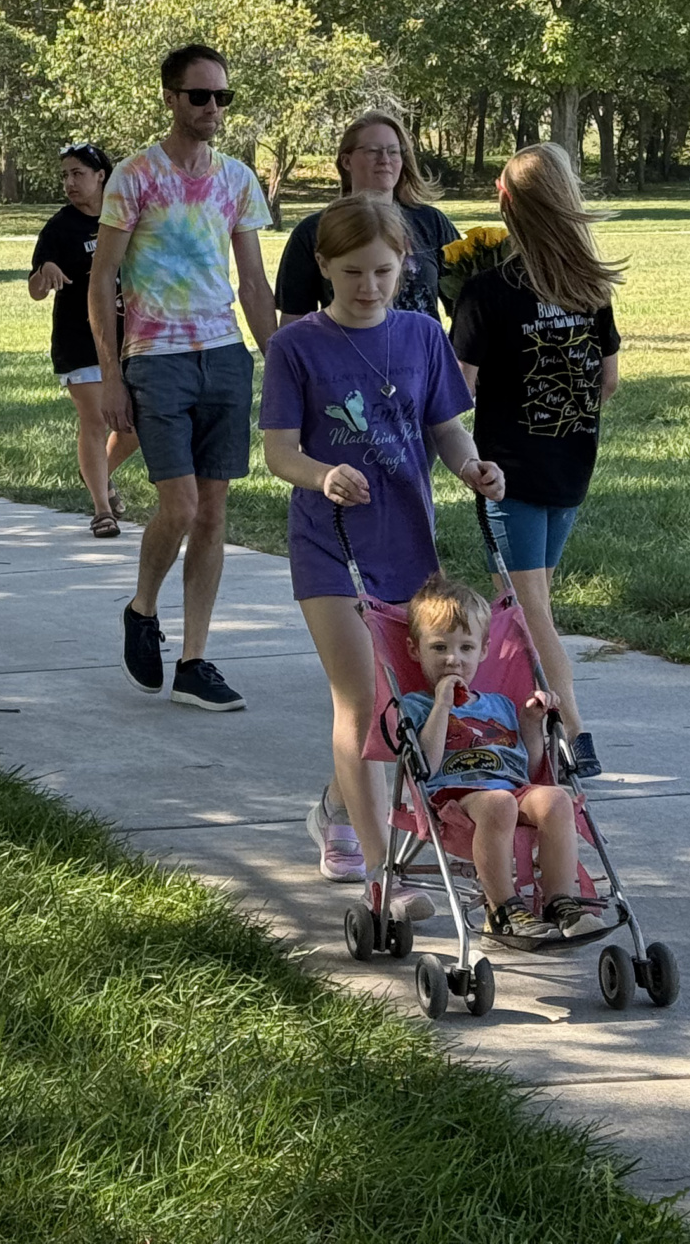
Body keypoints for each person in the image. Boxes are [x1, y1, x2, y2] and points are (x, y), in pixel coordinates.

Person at [261, 195, 505, 919]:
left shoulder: (421, 336)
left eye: (382, 272)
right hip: (330, 547)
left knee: (411, 701)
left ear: (404, 267)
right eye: (351, 273)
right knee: (363, 699)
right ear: (323, 267)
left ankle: (344, 806)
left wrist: (471, 467)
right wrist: (322, 476)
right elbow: (279, 453)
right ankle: (380, 873)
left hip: (408, 546)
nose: (368, 287)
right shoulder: (296, 346)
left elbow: (446, 429)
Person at [90, 47, 277, 712]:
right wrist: (112, 376)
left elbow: (252, 282)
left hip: (224, 357)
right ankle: (142, 609)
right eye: (200, 96)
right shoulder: (135, 176)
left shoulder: (237, 179)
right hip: (156, 358)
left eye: (223, 96)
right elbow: (102, 280)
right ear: (171, 97)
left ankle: (195, 660)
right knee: (182, 507)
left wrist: (278, 359)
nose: (213, 108)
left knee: (214, 512)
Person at [450, 142, 624, 778]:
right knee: (519, 601)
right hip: (570, 468)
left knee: (528, 608)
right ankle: (513, 725)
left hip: (508, 476)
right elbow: (608, 381)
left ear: (507, 204)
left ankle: (573, 730)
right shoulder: (590, 289)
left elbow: (456, 391)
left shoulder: (486, 292)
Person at [400, 577, 598, 943]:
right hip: (455, 798)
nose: (453, 659)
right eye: (439, 647)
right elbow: (425, 764)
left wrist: (531, 723)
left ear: (484, 650)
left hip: (510, 788)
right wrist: (442, 705)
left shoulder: (500, 705)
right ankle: (504, 908)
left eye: (466, 647)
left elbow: (527, 768)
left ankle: (560, 902)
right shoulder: (416, 706)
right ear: (415, 650)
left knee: (556, 798)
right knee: (499, 803)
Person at [33, 143, 140, 536]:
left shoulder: (126, 217)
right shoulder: (59, 228)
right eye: (65, 175)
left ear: (101, 176)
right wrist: (44, 273)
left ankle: (97, 470)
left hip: (130, 339)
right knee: (96, 420)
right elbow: (35, 288)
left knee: (134, 427)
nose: (70, 182)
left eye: (78, 173)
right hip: (79, 340)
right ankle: (101, 510)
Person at [273, 112, 461, 325]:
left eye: (393, 151)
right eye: (373, 151)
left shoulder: (431, 222)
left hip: (423, 347)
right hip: (342, 346)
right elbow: (294, 321)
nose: (385, 160)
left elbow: (464, 302)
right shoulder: (313, 230)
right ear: (346, 161)